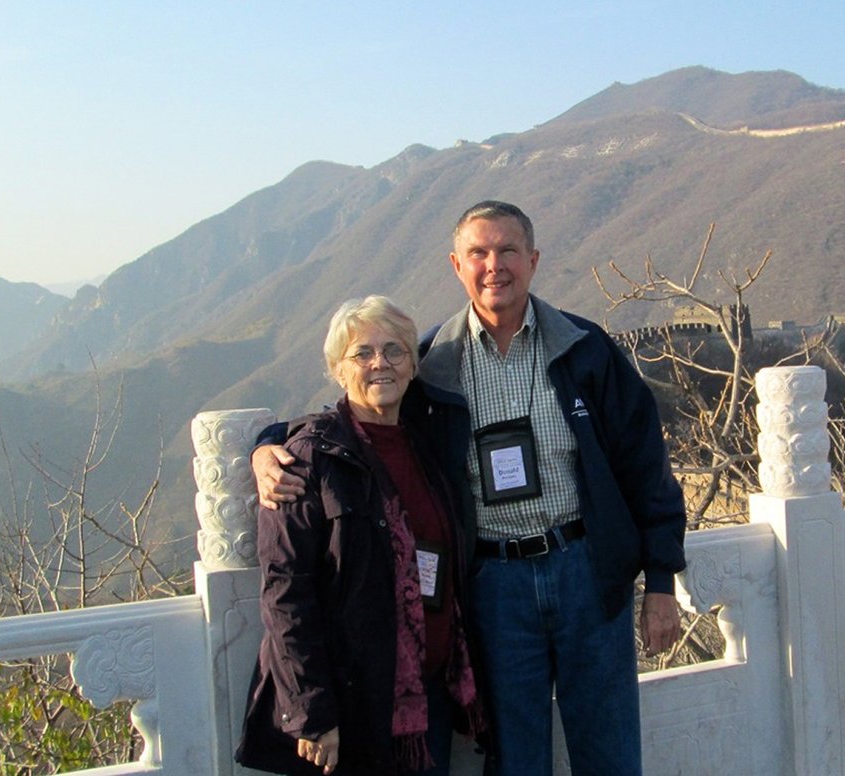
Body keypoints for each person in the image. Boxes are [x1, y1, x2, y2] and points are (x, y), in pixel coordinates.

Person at [254, 201, 688, 775]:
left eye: (508, 250)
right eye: (479, 253)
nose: (494, 265)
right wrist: (266, 443)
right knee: (516, 759)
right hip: (494, 587)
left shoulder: (584, 349)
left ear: (532, 261)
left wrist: (660, 581)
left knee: (609, 750)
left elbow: (645, 465)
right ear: (456, 266)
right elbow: (361, 410)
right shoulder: (435, 362)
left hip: (588, 572)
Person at [236, 296, 485, 776]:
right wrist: (313, 714)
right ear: (337, 368)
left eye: (394, 351)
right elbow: (286, 593)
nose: (380, 364)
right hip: (350, 705)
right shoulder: (308, 460)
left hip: (423, 696)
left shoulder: (425, 447)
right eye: (362, 353)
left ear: (414, 365)